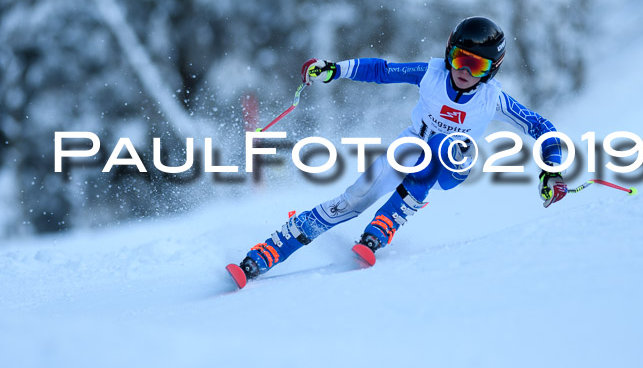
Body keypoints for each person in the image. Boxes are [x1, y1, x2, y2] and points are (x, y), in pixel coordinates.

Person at [232, 16, 567, 285]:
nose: (464, 71)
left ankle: (385, 224)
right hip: (410, 148)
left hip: (455, 162)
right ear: (449, 53)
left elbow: (541, 127)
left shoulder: (493, 99)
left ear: (492, 69)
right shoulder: (431, 74)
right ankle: (267, 253)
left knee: (442, 145)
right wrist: (335, 69)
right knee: (353, 197)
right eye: (460, 59)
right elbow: (382, 71)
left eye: (477, 67)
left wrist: (551, 169)